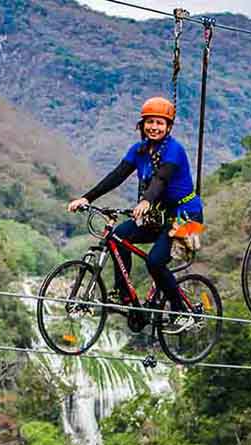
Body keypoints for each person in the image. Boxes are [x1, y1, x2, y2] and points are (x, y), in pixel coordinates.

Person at [67, 96, 203, 333]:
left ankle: (183, 311)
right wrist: (87, 198)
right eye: (149, 122)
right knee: (118, 236)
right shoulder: (138, 151)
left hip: (187, 215)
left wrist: (146, 201)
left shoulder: (174, 150)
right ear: (142, 125)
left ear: (168, 127)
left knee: (155, 262)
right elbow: (117, 175)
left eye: (160, 123)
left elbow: (161, 179)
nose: (154, 127)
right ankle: (124, 296)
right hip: (158, 215)